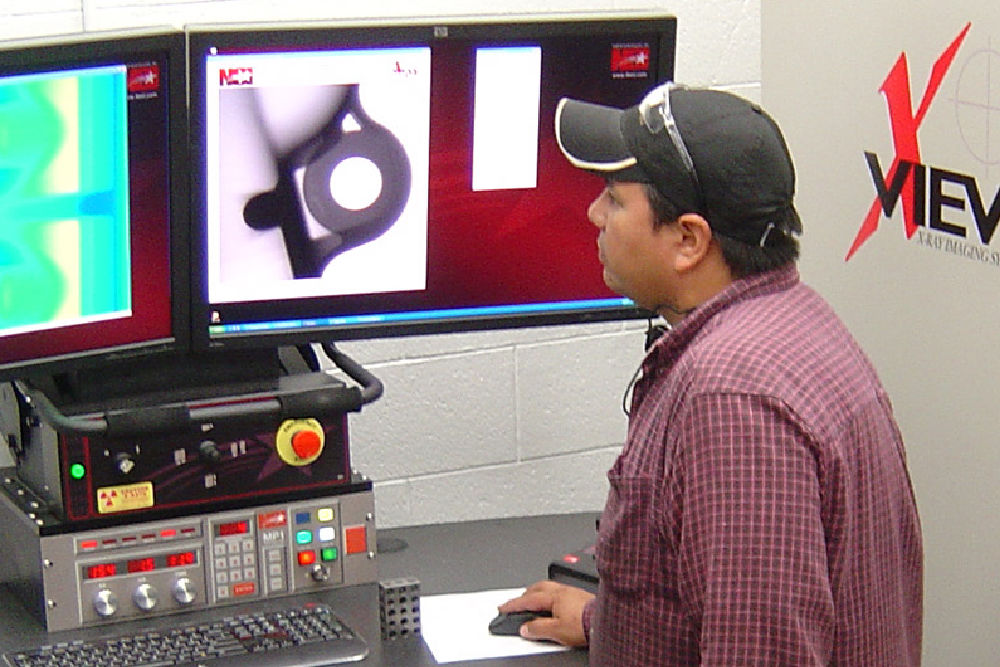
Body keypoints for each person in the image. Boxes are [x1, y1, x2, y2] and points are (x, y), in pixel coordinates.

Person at [499, 82, 924, 665]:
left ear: (688, 240)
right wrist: (609, 622)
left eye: (615, 200)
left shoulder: (733, 400)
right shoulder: (793, 319)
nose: (594, 213)